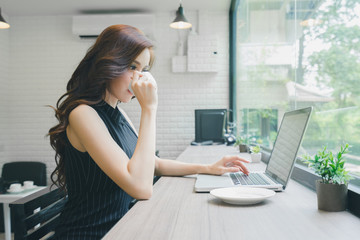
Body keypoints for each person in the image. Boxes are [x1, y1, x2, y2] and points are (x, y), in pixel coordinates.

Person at [48, 24, 249, 239]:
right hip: (88, 234)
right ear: (109, 64)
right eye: (132, 67)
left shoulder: (118, 113)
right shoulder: (83, 114)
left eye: (143, 70)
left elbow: (154, 164)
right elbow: (141, 188)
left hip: (120, 228)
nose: (139, 78)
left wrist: (208, 168)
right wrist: (149, 109)